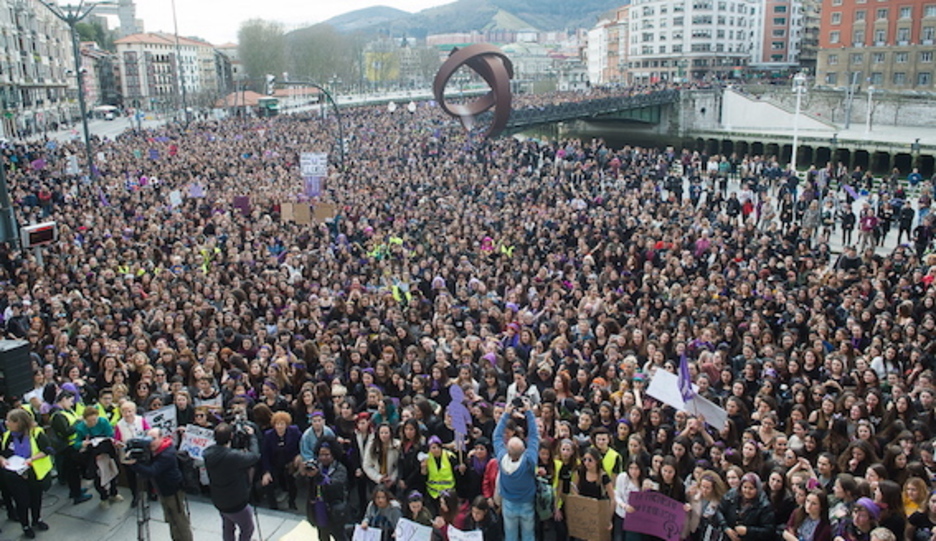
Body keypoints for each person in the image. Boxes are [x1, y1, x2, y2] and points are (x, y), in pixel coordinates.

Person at [124, 428, 193, 541]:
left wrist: (134, 464)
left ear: (161, 438)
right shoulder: (154, 450)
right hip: (162, 490)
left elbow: (152, 471)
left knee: (179, 521)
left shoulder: (167, 454)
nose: (151, 442)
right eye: (149, 439)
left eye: (154, 439)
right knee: (171, 520)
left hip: (173, 492)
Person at [0, 408, 52, 538]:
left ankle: (37, 519)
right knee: (21, 502)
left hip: (34, 473)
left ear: (18, 423)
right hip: (14, 475)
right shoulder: (7, 436)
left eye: (9, 421)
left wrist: (32, 459)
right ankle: (25, 526)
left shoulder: (36, 433)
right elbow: (2, 453)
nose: (6, 423)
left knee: (36, 499)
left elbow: (48, 450)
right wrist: (2, 459)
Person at [203, 422, 260, 541]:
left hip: (219, 499)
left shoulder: (208, 453)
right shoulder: (232, 457)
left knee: (228, 526)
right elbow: (254, 456)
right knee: (247, 528)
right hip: (236, 501)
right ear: (231, 436)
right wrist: (252, 437)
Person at [493, 398, 539, 541]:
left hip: (509, 503)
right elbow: (534, 437)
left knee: (510, 536)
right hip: (527, 503)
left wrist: (506, 414)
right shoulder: (529, 461)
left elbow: (496, 437)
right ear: (524, 450)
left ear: (507, 450)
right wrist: (529, 412)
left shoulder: (502, 459)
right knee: (528, 535)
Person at [73, 406, 121, 508]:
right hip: (93, 456)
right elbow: (76, 444)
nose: (93, 423)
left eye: (94, 420)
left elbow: (110, 435)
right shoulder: (81, 428)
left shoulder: (103, 422)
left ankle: (114, 493)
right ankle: (104, 498)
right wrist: (82, 443)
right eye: (90, 421)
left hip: (107, 453)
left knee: (113, 473)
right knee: (98, 478)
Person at [49, 390, 90, 504]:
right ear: (63, 399)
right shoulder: (58, 415)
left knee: (73, 470)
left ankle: (75, 490)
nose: (72, 404)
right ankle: (77, 495)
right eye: (70, 401)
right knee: (73, 472)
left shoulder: (65, 412)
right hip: (67, 447)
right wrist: (78, 422)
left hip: (72, 445)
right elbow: (66, 432)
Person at [304, 437, 349, 541]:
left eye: (327, 455)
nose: (323, 458)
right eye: (321, 455)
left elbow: (334, 485)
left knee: (339, 536)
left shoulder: (340, 469)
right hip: (319, 508)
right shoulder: (317, 466)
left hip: (335, 510)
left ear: (333, 454)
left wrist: (318, 476)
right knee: (322, 536)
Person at [260, 411, 301, 510]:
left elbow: (301, 444)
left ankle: (292, 502)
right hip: (274, 462)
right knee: (268, 481)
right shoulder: (268, 435)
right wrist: (266, 471)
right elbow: (265, 454)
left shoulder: (294, 432)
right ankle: (272, 506)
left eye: (282, 424)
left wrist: (298, 456)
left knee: (292, 481)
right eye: (277, 424)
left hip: (289, 461)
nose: (279, 427)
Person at [721, 472, 775, 541]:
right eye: (745, 487)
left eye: (751, 488)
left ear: (757, 489)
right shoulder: (732, 495)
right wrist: (726, 528)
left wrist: (748, 531)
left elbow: (769, 531)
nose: (747, 491)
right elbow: (720, 511)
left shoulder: (764, 506)